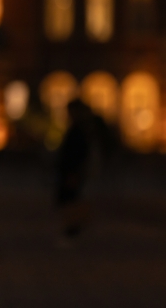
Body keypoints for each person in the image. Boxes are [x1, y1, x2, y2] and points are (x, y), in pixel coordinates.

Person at [55, 99, 92, 238]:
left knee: (72, 200)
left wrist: (74, 173)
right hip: (71, 172)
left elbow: (78, 154)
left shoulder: (78, 131)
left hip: (73, 173)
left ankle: (73, 229)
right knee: (71, 200)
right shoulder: (78, 129)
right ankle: (72, 228)